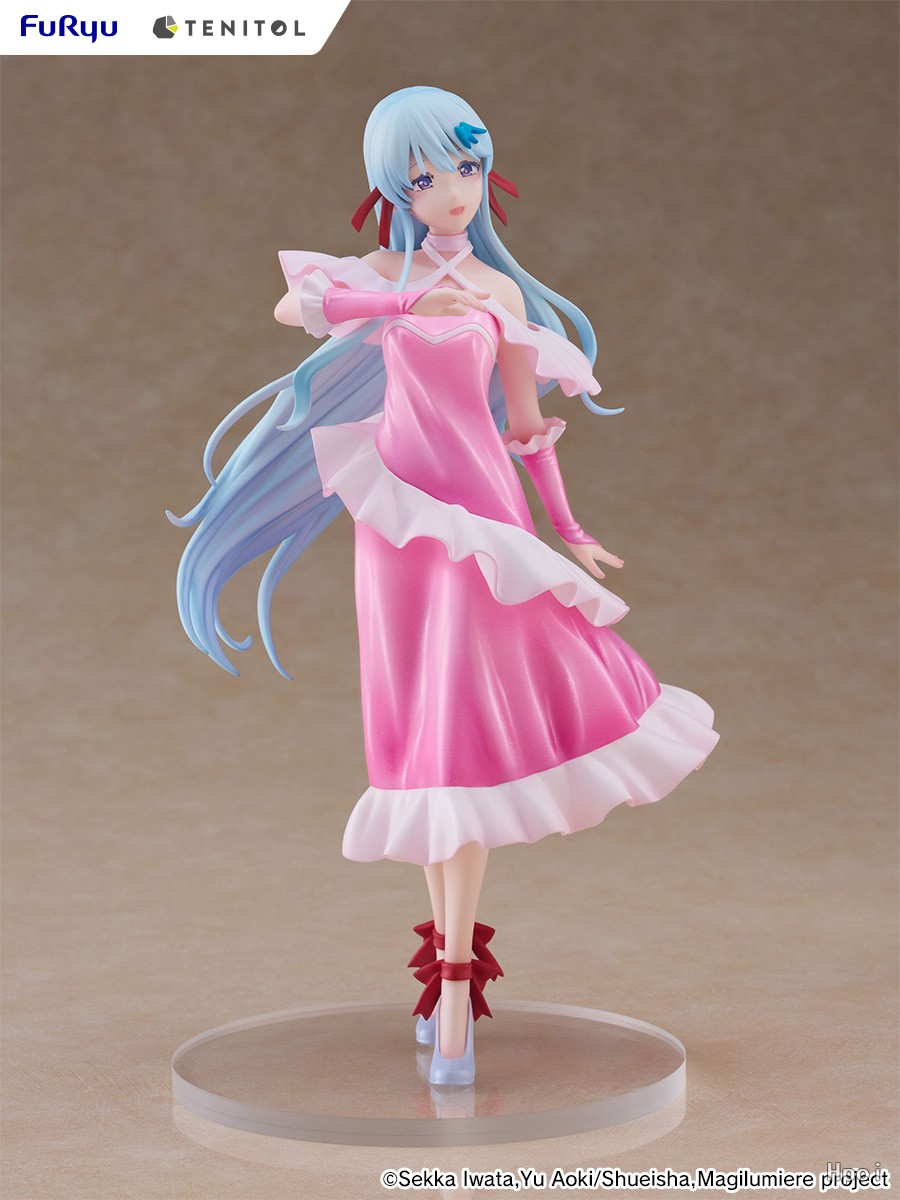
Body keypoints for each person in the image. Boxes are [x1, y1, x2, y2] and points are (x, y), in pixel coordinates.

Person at [168, 86, 719, 1086]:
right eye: (425, 176)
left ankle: (455, 983)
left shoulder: (501, 294)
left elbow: (526, 427)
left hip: (487, 523)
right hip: (402, 529)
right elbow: (297, 305)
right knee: (428, 734)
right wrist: (404, 302)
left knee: (478, 724)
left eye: (467, 168)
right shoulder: (382, 274)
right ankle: (452, 982)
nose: (453, 192)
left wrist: (570, 528)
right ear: (394, 187)